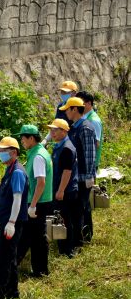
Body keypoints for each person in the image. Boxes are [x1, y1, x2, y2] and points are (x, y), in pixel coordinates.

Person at [0, 137, 29, 299]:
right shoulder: (9, 170)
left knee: (3, 259)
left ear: (14, 152)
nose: (0, 154)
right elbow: (7, 194)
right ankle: (12, 293)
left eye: (3, 151)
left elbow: (17, 199)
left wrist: (11, 223)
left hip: (11, 222)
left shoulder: (17, 172)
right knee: (10, 257)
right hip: (5, 220)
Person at [59, 97, 96, 244]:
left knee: (82, 208)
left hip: (82, 176)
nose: (66, 113)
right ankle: (79, 238)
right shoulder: (74, 127)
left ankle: (82, 240)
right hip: (75, 176)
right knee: (77, 209)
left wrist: (88, 177)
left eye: (67, 109)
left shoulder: (85, 128)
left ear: (74, 109)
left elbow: (89, 154)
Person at [16, 125, 52, 276]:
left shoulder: (38, 156)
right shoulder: (38, 151)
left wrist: (32, 205)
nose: (22, 141)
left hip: (38, 202)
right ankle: (40, 271)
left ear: (31, 138)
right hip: (40, 201)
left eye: (23, 138)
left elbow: (41, 182)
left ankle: (10, 266)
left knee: (28, 236)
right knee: (36, 237)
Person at [48, 119, 80, 257]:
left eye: (55, 130)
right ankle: (63, 247)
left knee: (65, 220)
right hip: (61, 188)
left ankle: (68, 250)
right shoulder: (58, 145)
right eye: (51, 130)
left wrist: (60, 190)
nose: (52, 133)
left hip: (66, 190)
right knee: (62, 218)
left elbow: (67, 172)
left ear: (64, 131)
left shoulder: (66, 148)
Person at [41, 80, 79, 146]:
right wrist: (46, 140)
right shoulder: (60, 106)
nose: (63, 94)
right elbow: (56, 125)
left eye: (65, 92)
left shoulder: (78, 108)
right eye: (62, 92)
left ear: (74, 93)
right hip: (62, 142)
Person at [77, 91, 103, 171]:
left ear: (88, 103)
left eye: (80, 103)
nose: (78, 106)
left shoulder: (93, 120)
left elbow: (96, 143)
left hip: (89, 163)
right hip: (82, 161)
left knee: (88, 183)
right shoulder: (83, 117)